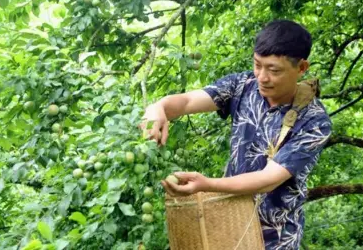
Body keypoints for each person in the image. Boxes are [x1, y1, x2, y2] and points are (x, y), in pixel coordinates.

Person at [140, 19, 332, 250]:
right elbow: (187, 101)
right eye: (257, 64)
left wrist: (206, 184)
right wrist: (158, 108)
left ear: (301, 68)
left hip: (275, 237)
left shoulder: (314, 121)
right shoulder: (243, 85)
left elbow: (267, 179)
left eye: (273, 70)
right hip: (228, 222)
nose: (262, 76)